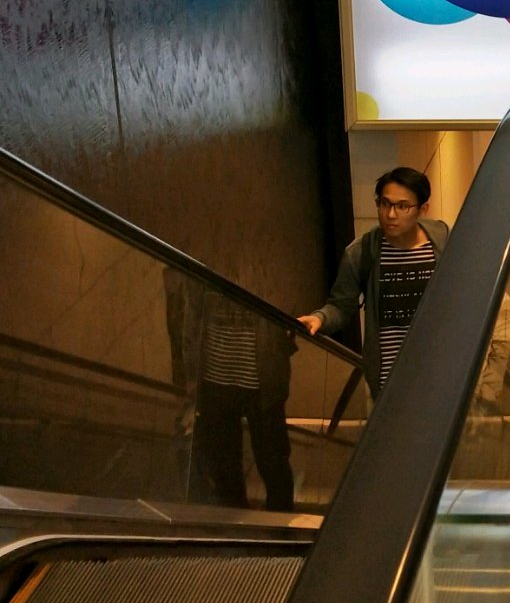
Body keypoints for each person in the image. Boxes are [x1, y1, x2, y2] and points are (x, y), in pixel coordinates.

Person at [299, 167, 450, 393]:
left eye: (402, 206)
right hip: (389, 379)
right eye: (385, 204)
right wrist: (320, 318)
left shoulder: (444, 244)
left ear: (423, 209)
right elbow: (341, 305)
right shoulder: (362, 252)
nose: (391, 214)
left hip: (440, 374)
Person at [168, 286, 296, 511]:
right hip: (216, 381)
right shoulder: (208, 271)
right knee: (225, 465)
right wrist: (191, 376)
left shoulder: (269, 272)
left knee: (272, 461)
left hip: (261, 381)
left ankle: (278, 521)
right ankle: (237, 520)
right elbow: (192, 320)